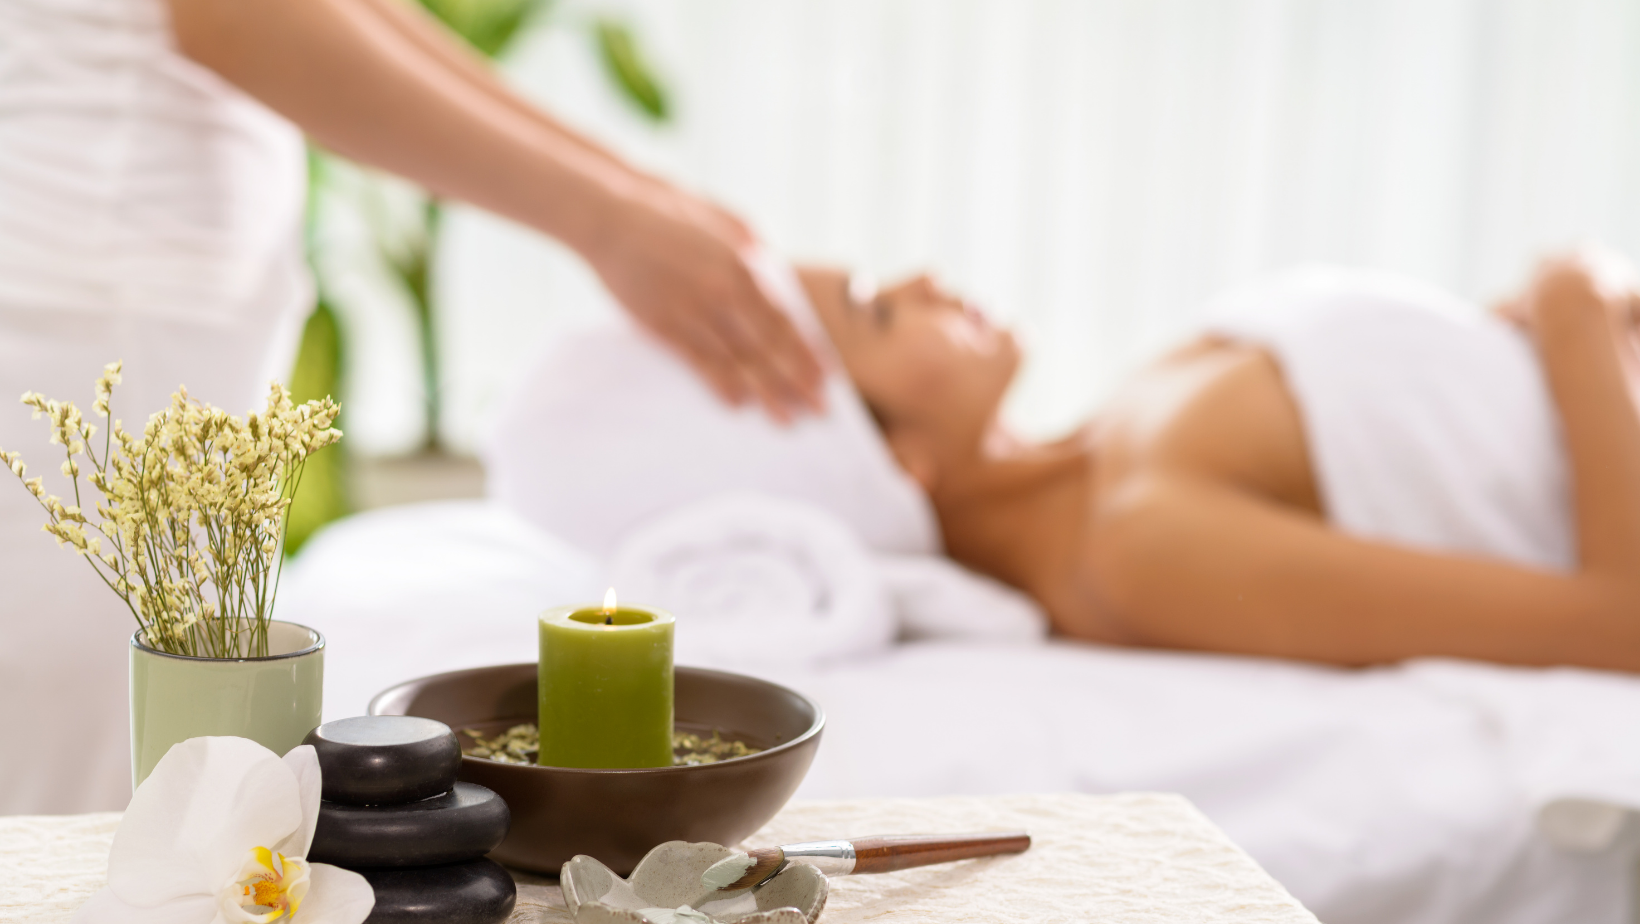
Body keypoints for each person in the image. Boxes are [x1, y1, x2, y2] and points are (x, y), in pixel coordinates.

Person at [0, 0, 818, 814]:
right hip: (96, 299)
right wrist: (610, 217)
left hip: (139, 292)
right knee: (87, 798)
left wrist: (634, 200)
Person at [792, 251, 1640, 672]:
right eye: (876, 312)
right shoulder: (1137, 553)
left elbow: (1425, 425)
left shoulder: (1109, 442)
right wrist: (1571, 308)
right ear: (897, 461)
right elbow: (1618, 624)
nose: (924, 279)